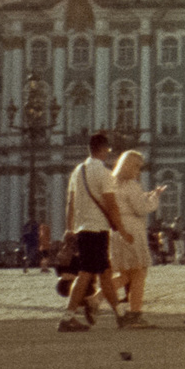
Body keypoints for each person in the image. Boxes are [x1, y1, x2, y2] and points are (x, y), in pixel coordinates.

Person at [59, 130, 130, 332]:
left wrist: (69, 228)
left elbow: (70, 203)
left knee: (105, 273)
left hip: (83, 229)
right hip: (97, 230)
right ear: (105, 150)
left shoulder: (78, 171)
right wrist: (122, 229)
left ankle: (120, 315)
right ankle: (67, 317)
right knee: (85, 274)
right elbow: (111, 205)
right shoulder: (104, 173)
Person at [107, 151, 165, 327]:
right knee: (139, 271)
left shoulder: (112, 182)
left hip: (117, 229)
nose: (139, 171)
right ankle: (135, 314)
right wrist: (154, 198)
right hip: (132, 230)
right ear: (130, 166)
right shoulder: (132, 185)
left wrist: (145, 196)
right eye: (137, 167)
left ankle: (94, 298)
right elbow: (140, 209)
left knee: (125, 274)